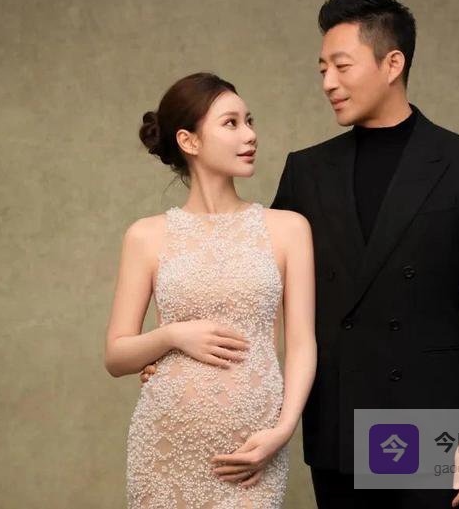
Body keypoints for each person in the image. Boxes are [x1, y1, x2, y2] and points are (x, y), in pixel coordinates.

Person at [269, 0, 459, 509]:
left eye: (341, 66)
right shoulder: (307, 171)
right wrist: (181, 355)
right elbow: (259, 280)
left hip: (430, 420)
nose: (328, 83)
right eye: (322, 70)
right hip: (338, 417)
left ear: (392, 64)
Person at [105, 72, 317, 509]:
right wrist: (172, 335)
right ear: (189, 141)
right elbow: (116, 356)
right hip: (164, 448)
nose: (250, 134)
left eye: (250, 121)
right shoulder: (146, 236)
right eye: (231, 123)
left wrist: (284, 428)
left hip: (252, 451)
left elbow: (301, 343)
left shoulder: (288, 229)